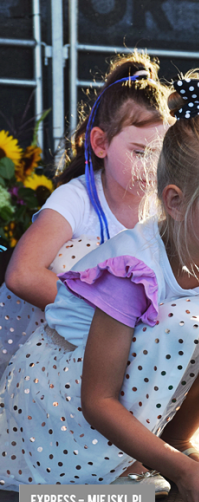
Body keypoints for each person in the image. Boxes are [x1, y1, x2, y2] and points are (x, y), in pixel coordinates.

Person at [0, 75, 199, 502]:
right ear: (174, 201)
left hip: (132, 378)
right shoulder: (133, 270)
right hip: (68, 392)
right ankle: (143, 466)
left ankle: (172, 444)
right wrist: (184, 471)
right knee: (190, 322)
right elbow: (97, 400)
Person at [0, 52, 172, 375]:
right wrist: (109, 312)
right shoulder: (76, 198)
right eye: (140, 152)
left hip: (127, 345)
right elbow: (21, 274)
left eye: (161, 155)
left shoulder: (162, 204)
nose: (152, 167)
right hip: (60, 345)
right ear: (100, 143)